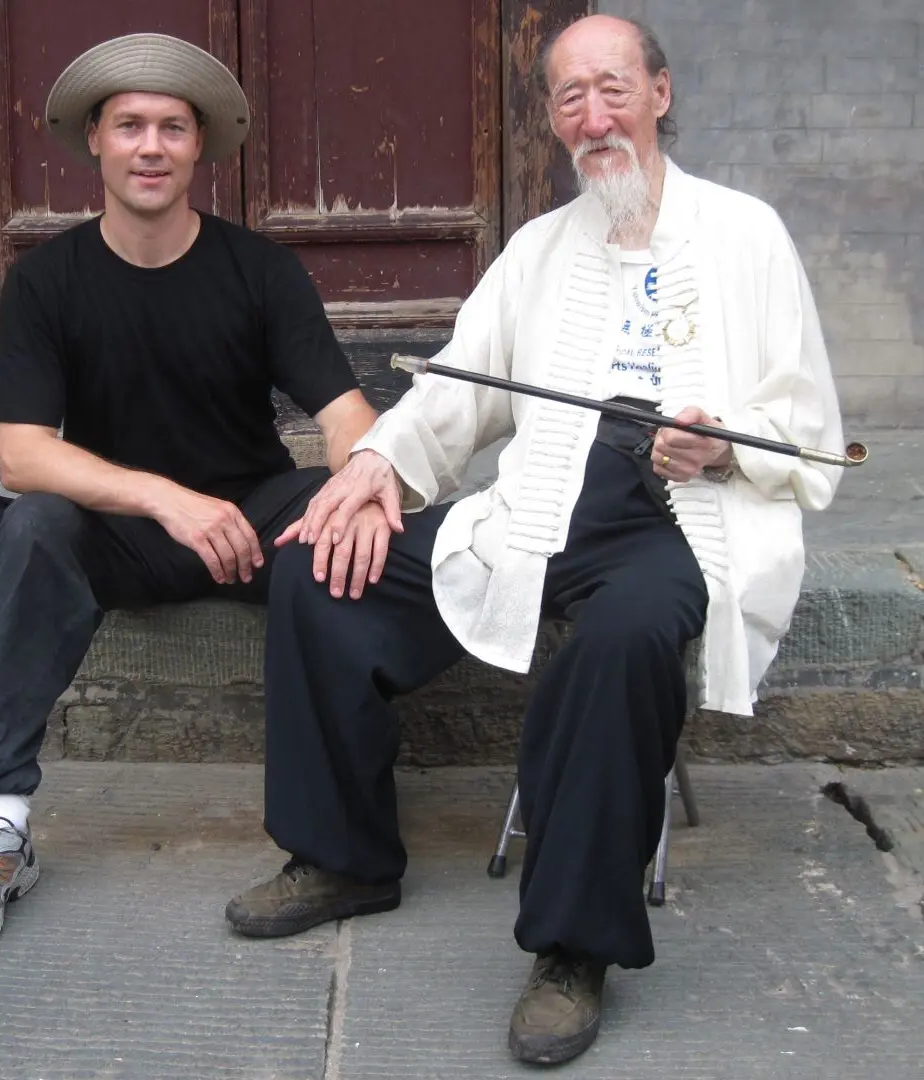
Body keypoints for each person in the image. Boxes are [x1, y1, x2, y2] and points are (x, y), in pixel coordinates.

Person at [225, 13, 847, 1066]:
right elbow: (457, 392)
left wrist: (726, 451)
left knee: (624, 640)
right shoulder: (538, 249)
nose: (594, 118)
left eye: (614, 89)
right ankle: (343, 857)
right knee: (321, 563)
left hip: (678, 522)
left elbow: (809, 433)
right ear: (553, 119)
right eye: (570, 98)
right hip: (540, 506)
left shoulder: (748, 236)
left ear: (660, 92)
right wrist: (377, 466)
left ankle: (571, 947)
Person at [0, 33, 386, 954]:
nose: (150, 146)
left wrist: (364, 476)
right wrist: (166, 499)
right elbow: (20, 456)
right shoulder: (48, 281)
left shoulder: (260, 270)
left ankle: (346, 824)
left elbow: (346, 413)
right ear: (93, 139)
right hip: (120, 533)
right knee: (34, 525)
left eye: (173, 127)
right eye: (129, 125)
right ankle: (0, 822)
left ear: (199, 148)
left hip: (251, 519)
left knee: (352, 517)